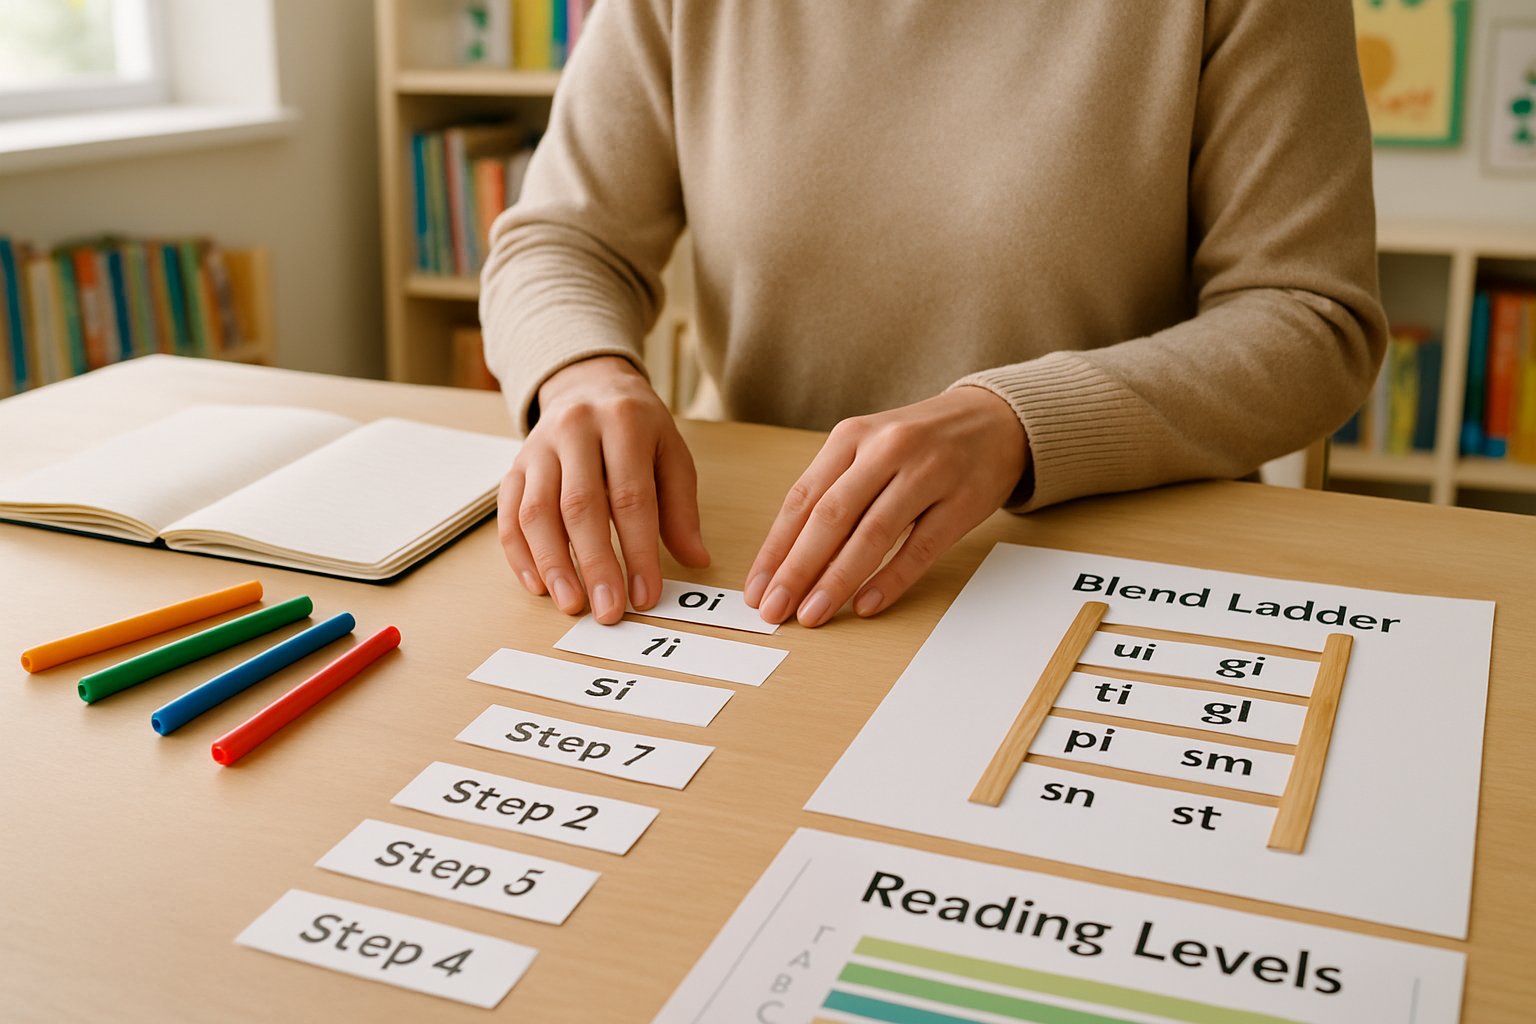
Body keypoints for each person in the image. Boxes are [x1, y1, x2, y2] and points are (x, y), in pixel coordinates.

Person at [480, 1, 1386, 629]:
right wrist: (581, 375)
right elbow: (560, 240)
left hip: (1094, 560)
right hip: (756, 554)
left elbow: (1309, 315)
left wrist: (1019, 423)